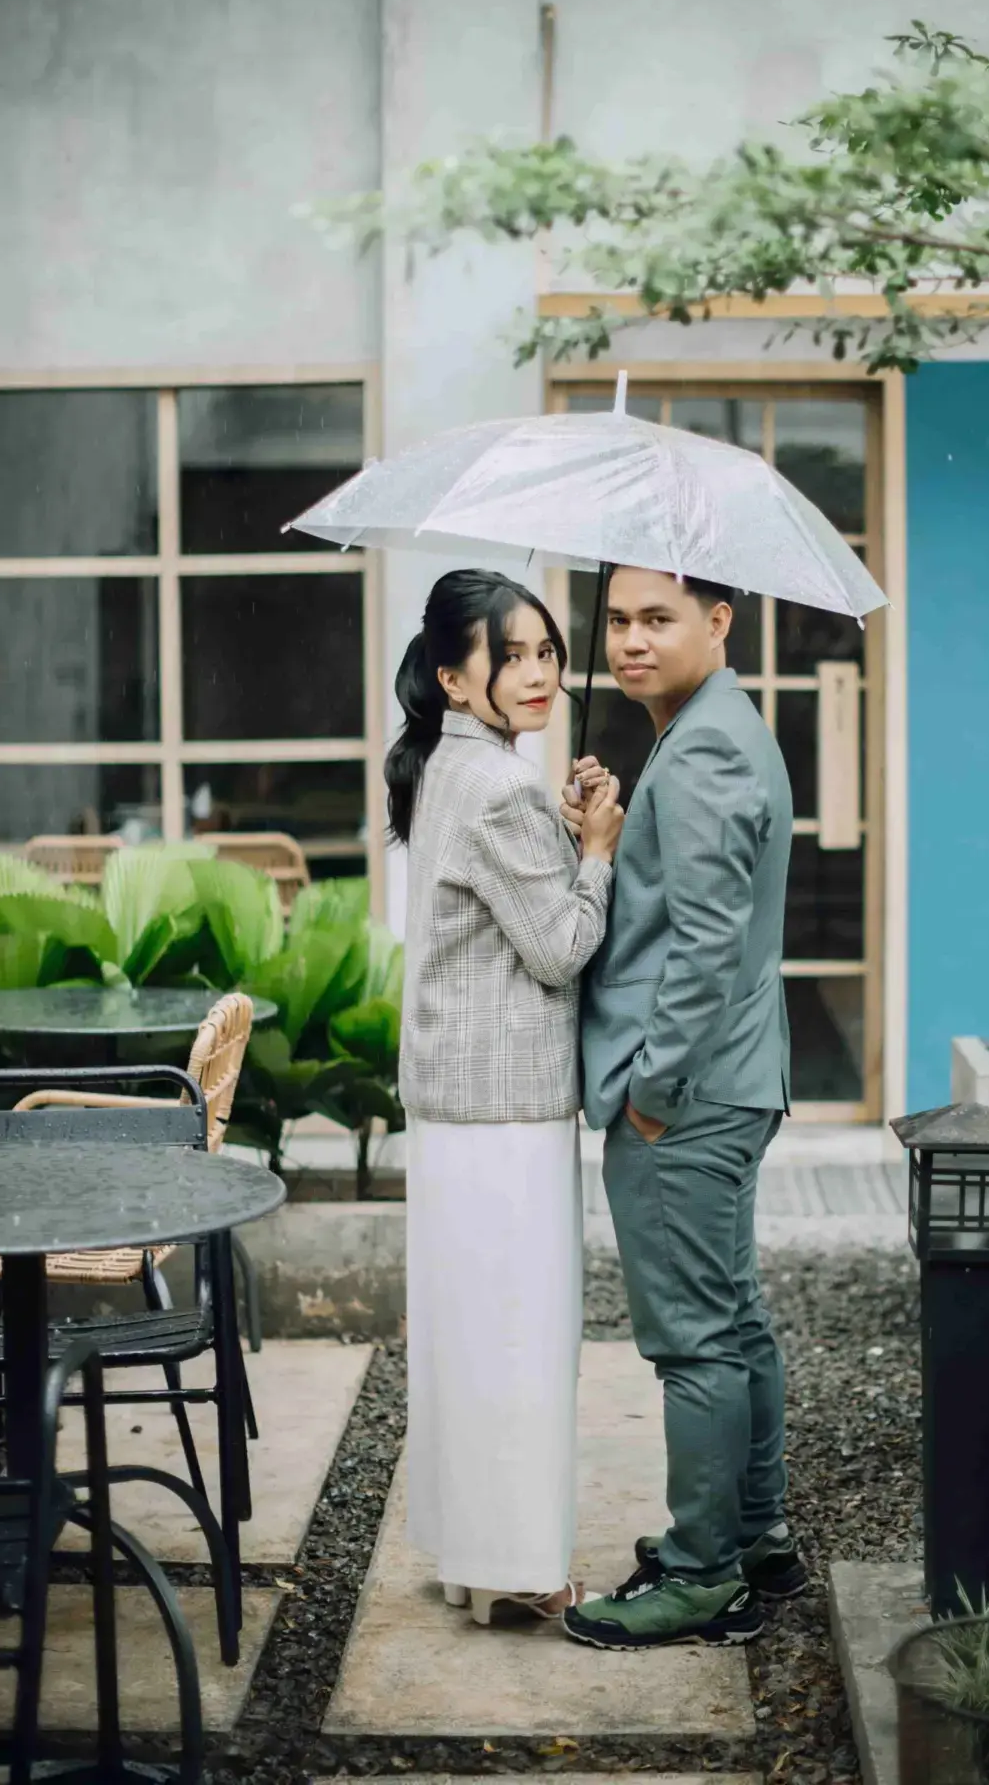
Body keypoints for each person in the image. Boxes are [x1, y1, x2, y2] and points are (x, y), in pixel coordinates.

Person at [560, 567, 803, 1651]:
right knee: (733, 1318)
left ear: (718, 620)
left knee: (694, 1341)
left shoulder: (702, 748)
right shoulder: (709, 729)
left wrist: (650, 1093)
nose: (630, 641)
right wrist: (605, 835)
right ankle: (754, 1535)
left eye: (657, 619)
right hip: (730, 1079)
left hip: (687, 1095)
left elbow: (705, 945)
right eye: (617, 620)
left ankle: (704, 1579)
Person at [390, 567, 624, 1626]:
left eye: (546, 653)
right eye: (511, 655)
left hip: (456, 1104)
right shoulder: (501, 785)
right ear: (452, 677)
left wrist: (561, 832)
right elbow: (560, 948)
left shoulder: (453, 764)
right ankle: (524, 1570)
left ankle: (476, 1560)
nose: (538, 673)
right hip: (505, 1111)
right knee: (520, 1343)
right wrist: (596, 852)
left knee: (470, 1340)